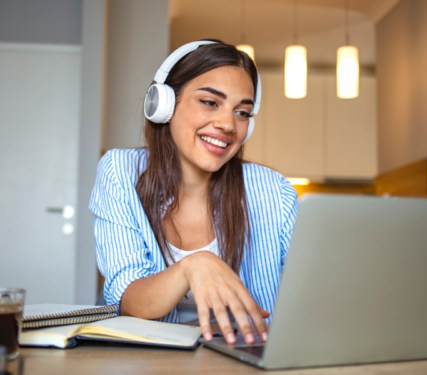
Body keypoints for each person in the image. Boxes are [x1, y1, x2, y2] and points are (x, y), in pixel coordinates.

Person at [89, 40, 299, 346]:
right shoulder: (120, 172)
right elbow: (127, 297)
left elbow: (311, 293)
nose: (228, 124)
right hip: (150, 359)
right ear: (164, 105)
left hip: (247, 358)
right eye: (210, 102)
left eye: (242, 112)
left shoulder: (274, 191)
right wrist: (193, 265)